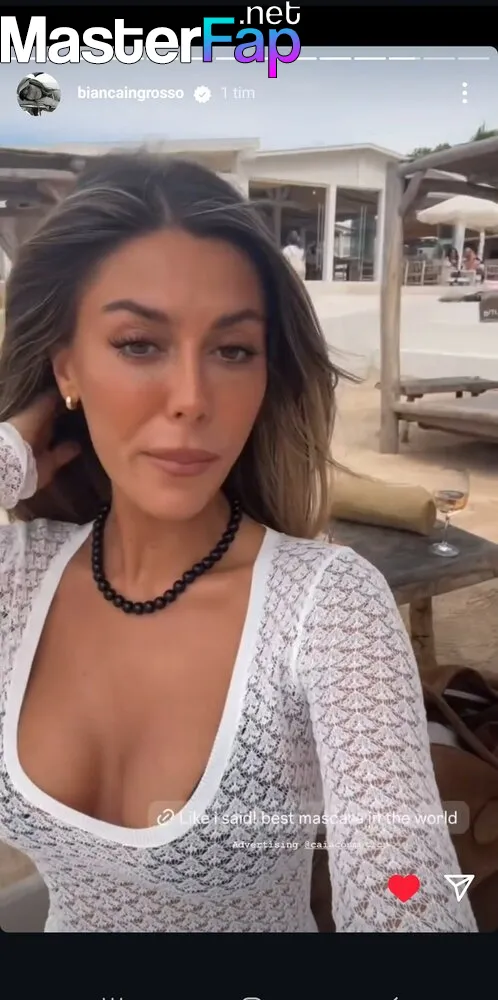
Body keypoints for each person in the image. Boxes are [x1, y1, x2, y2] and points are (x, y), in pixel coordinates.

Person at [0, 152, 476, 933]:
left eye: (232, 351)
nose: (193, 399)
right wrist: (13, 450)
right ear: (67, 371)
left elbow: (405, 896)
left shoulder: (325, 611)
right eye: (139, 344)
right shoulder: (18, 579)